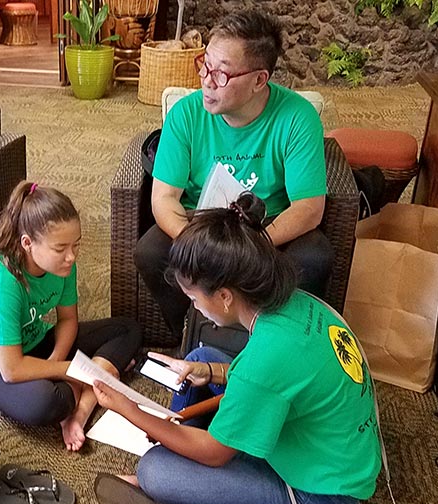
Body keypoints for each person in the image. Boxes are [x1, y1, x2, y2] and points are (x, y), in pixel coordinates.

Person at [94, 192, 380, 504]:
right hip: (336, 451)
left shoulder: (266, 358)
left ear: (225, 296)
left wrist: (129, 409)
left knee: (153, 470)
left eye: (193, 299)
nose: (195, 308)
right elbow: (281, 381)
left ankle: (178, 477)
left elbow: (216, 451)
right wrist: (212, 372)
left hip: (317, 498)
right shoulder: (298, 303)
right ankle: (185, 452)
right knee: (200, 359)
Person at [135, 9, 332, 338]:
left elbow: (309, 207)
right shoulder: (186, 114)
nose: (206, 80)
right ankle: (194, 331)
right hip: (201, 221)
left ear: (259, 80)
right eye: (205, 65)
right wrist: (197, 244)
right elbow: (164, 198)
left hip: (266, 225)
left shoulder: (297, 117)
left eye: (222, 74)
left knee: (314, 256)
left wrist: (253, 245)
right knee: (151, 251)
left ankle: (275, 340)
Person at [0, 181, 141, 452]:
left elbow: (68, 320)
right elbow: (12, 370)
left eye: (76, 245)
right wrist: (73, 371)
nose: (71, 256)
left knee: (128, 329)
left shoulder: (63, 264)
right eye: (60, 249)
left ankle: (80, 411)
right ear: (27, 243)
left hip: (32, 339)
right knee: (46, 403)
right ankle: (96, 380)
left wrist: (56, 364)